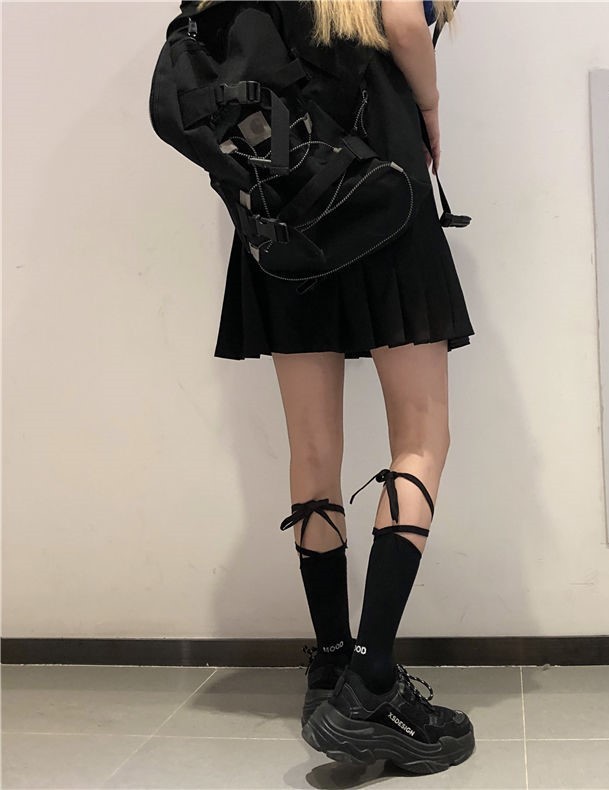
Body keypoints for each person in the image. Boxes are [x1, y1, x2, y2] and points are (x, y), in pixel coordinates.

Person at [204, 0, 476, 774]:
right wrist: (430, 106)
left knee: (312, 449)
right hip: (378, 185)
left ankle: (329, 666)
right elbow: (401, 21)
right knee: (422, 435)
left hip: (283, 207)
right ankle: (371, 684)